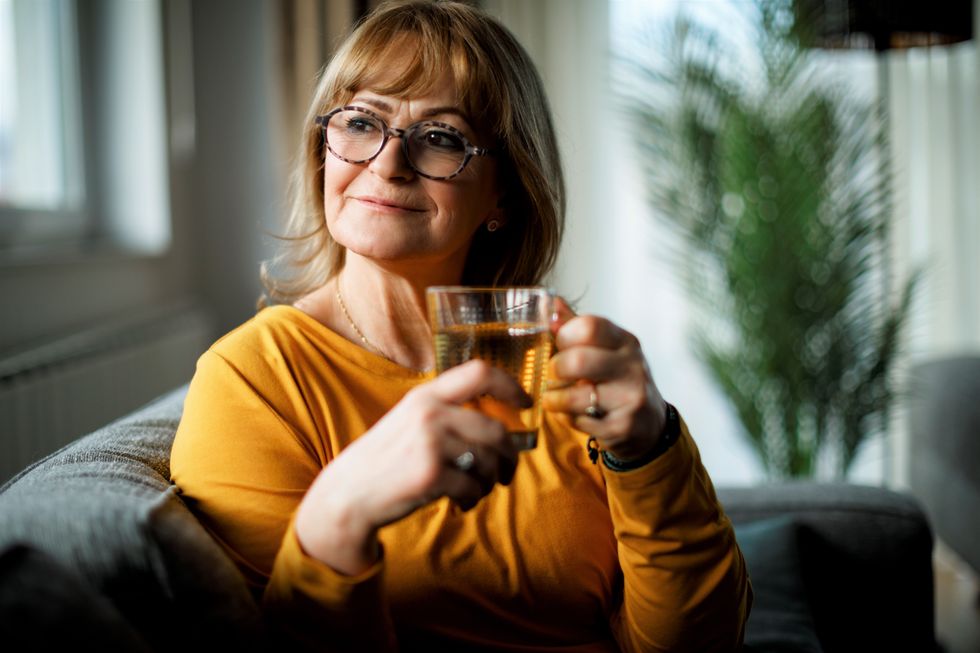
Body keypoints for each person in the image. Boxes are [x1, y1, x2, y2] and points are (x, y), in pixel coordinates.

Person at [170, 1, 752, 651]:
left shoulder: (568, 365)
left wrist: (651, 444)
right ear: (323, 149)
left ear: (504, 194)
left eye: (441, 137)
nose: (387, 164)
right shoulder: (255, 379)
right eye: (361, 122)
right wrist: (341, 515)